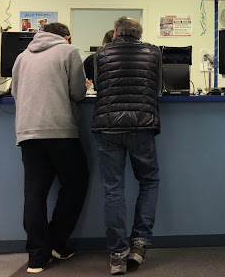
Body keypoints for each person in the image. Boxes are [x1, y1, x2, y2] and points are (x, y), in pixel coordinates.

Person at [11, 22, 89, 274]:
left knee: (35, 192)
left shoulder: (22, 56)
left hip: (27, 131)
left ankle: (37, 256)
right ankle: (56, 241)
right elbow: (78, 93)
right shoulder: (68, 51)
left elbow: (14, 92)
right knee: (76, 183)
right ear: (66, 36)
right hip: (59, 128)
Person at [93, 17, 162, 275]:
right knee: (149, 182)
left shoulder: (101, 54)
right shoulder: (153, 52)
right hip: (142, 126)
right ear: (138, 34)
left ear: (115, 32)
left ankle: (118, 255)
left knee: (113, 189)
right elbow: (157, 88)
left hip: (107, 127)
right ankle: (139, 244)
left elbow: (98, 86)